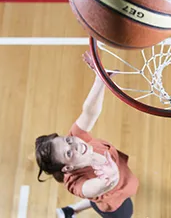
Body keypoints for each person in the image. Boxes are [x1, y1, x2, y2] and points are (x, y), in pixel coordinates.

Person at [34, 51, 138, 218]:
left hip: (119, 184)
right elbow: (94, 188)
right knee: (118, 210)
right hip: (114, 205)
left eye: (68, 140)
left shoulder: (78, 139)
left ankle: (69, 211)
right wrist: (109, 179)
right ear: (67, 168)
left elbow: (89, 112)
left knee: (94, 201)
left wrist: (100, 79)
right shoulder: (76, 184)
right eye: (68, 152)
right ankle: (71, 211)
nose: (74, 144)